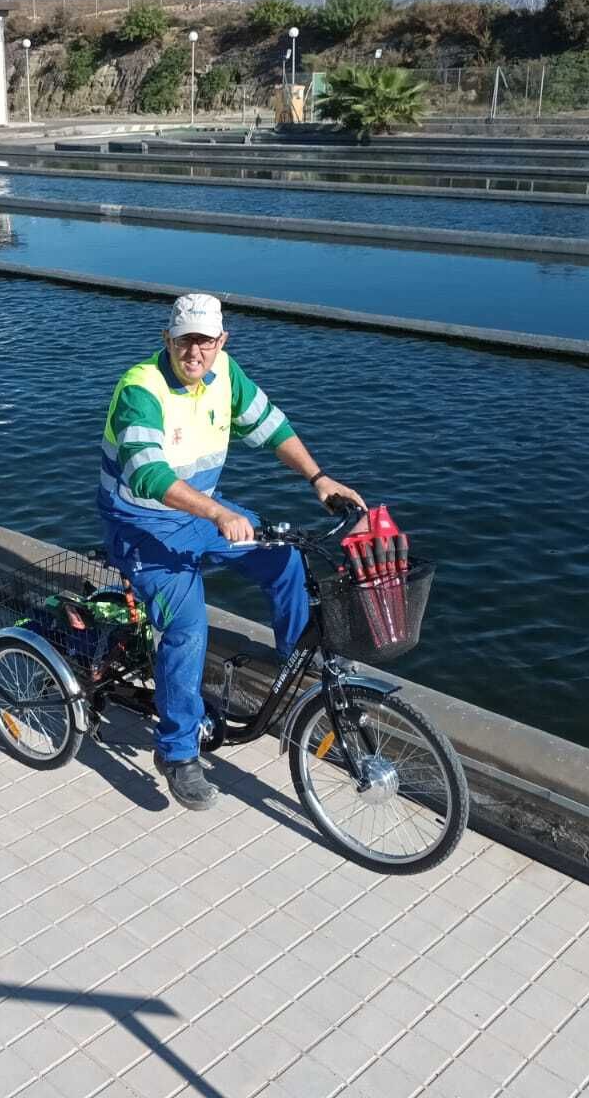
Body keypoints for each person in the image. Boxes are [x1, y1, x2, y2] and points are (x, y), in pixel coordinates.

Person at [99, 293, 364, 811]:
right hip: (142, 522)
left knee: (285, 560)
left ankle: (298, 669)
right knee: (187, 626)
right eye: (184, 339)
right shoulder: (140, 389)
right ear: (166, 340)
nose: (193, 350)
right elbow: (149, 473)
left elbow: (272, 427)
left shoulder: (226, 375)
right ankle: (177, 753)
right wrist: (218, 514)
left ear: (221, 341)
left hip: (201, 511)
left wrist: (318, 478)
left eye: (204, 340)